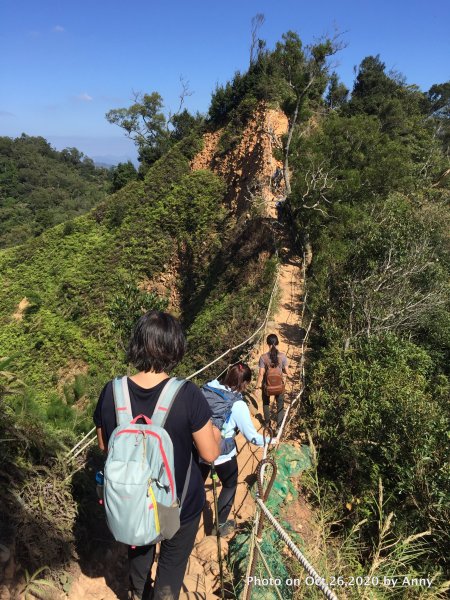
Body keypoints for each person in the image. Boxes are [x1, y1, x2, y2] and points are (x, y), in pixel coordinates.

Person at [93, 310, 220, 600]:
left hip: (134, 502)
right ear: (176, 348)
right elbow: (210, 454)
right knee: (172, 567)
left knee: (139, 554)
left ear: (137, 344)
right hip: (179, 506)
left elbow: (105, 446)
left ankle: (139, 591)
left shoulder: (111, 392)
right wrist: (215, 434)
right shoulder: (187, 395)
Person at [199, 362, 272, 537]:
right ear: (244, 383)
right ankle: (221, 525)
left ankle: (183, 523)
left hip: (199, 449)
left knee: (196, 486)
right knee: (230, 484)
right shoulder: (238, 405)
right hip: (222, 454)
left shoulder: (207, 389)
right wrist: (271, 440)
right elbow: (252, 437)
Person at [256, 334, 290, 430]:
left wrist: (257, 386)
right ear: (277, 343)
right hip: (279, 385)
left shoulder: (263, 357)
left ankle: (267, 424)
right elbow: (287, 372)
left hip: (267, 385)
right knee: (280, 405)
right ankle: (279, 427)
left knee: (266, 403)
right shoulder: (283, 356)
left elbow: (261, 374)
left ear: (267, 344)